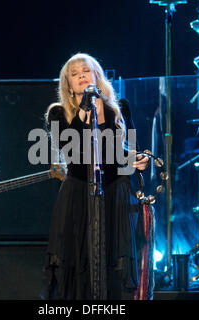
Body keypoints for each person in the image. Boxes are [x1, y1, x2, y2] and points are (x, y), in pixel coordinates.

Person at [42, 53, 149, 299]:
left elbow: (121, 153)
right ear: (67, 84)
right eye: (74, 73)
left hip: (115, 191)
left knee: (112, 258)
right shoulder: (58, 113)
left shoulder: (119, 108)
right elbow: (70, 151)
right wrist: (83, 113)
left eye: (85, 71)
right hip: (78, 192)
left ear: (97, 76)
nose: (80, 76)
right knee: (81, 258)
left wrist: (134, 160)